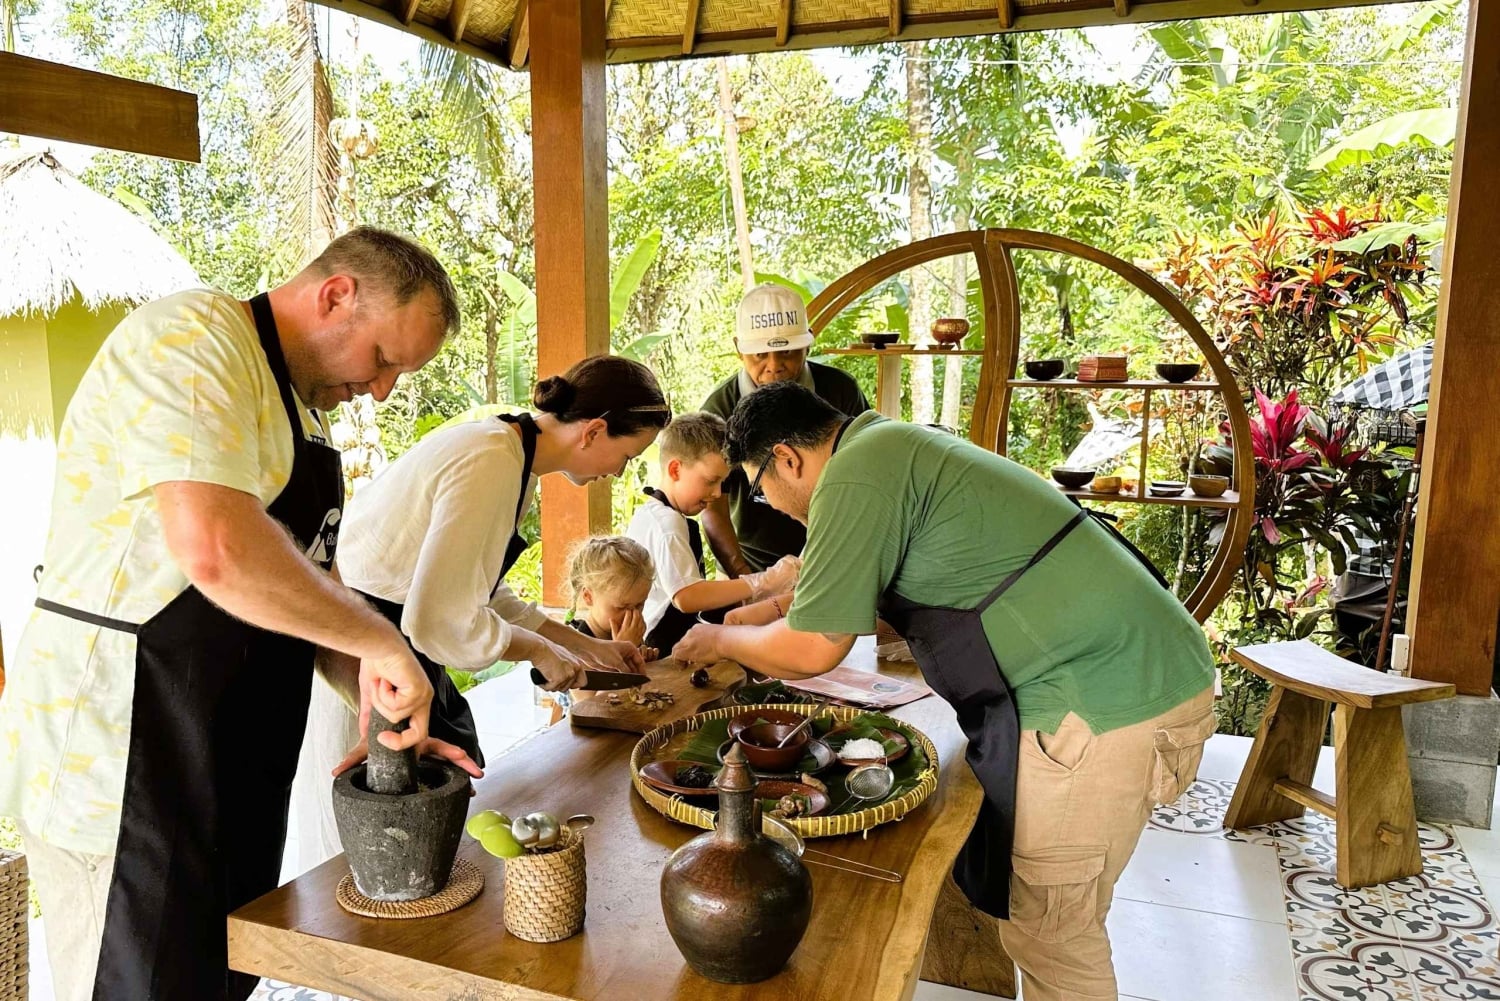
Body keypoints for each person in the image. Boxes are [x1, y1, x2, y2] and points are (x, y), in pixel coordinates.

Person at [0, 226, 476, 1001]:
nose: (382, 388)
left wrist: (379, 697)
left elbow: (313, 595)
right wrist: (380, 639)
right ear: (334, 295)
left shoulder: (306, 415)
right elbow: (214, 544)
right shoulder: (195, 337)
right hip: (124, 759)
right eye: (385, 359)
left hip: (227, 764)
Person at [673, 382, 1217, 1001]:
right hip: (1127, 678)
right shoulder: (886, 445)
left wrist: (721, 641)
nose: (769, 504)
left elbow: (814, 646)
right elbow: (864, 603)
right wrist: (764, 613)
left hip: (1100, 701)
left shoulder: (854, 475)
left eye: (760, 484)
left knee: (1053, 932)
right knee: (1042, 919)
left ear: (787, 459)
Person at [699, 283, 869, 576]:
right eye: (759, 355)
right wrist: (744, 578)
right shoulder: (720, 407)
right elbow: (712, 505)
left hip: (835, 555)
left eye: (787, 353)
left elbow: (865, 474)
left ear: (808, 343)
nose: (774, 366)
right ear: (739, 348)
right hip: (750, 563)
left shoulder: (840, 391)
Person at [626, 412, 801, 652]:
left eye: (723, 483)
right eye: (711, 481)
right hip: (661, 642)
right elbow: (687, 596)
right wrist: (762, 581)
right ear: (675, 470)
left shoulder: (653, 512)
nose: (718, 493)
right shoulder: (667, 524)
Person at [564, 535, 658, 659]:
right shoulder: (574, 646)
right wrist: (622, 649)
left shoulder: (628, 633)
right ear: (588, 597)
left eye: (639, 605)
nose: (632, 616)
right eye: (621, 607)